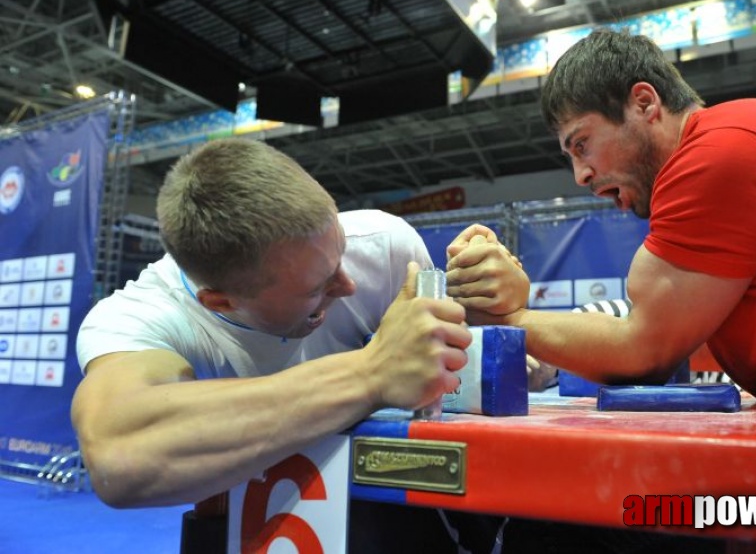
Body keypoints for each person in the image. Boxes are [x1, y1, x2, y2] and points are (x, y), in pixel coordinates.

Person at [446, 28, 756, 552]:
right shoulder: (749, 129)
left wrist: (511, 317)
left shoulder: (719, 154)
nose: (580, 174)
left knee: (566, 526)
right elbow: (650, 330)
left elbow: (643, 350)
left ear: (644, 103)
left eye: (581, 143)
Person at [71, 137, 525, 552]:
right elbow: (120, 454)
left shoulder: (383, 244)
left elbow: (482, 378)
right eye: (317, 288)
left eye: (340, 255)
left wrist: (506, 316)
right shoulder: (142, 317)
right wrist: (371, 373)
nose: (347, 285)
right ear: (221, 300)